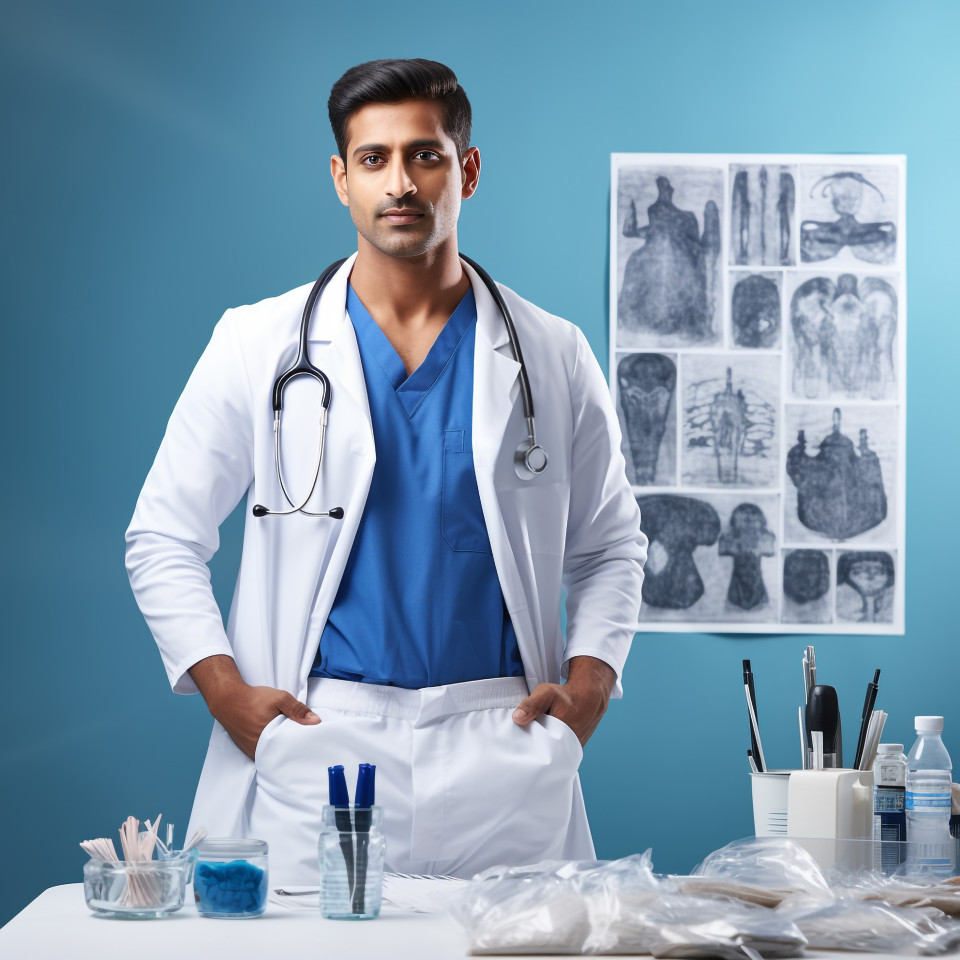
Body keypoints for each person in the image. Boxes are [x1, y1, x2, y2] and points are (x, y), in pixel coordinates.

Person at [126, 58, 646, 884]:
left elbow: (612, 547)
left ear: (467, 170)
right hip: (318, 736)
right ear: (342, 178)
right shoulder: (255, 344)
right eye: (374, 159)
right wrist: (227, 694)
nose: (400, 183)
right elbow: (163, 536)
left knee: (519, 942)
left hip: (503, 737)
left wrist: (587, 689)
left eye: (425, 156)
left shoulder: (553, 352)